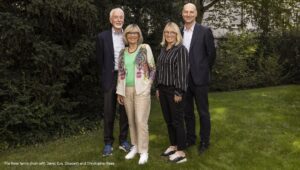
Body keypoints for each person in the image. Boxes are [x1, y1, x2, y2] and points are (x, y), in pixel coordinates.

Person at [116, 24, 156, 165]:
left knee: (141, 121)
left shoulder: (145, 48)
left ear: (139, 36)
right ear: (126, 36)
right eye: (129, 33)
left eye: (135, 33)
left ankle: (144, 151)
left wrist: (148, 85)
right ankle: (135, 146)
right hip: (126, 90)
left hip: (141, 90)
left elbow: (153, 69)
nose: (132, 35)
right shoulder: (122, 52)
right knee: (131, 121)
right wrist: (119, 92)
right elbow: (120, 74)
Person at [181, 3, 216, 154]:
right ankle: (191, 138)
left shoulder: (204, 31)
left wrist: (203, 70)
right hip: (183, 79)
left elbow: (212, 55)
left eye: (191, 12)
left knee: (203, 112)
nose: (188, 14)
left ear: (195, 14)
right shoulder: (178, 31)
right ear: (182, 13)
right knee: (187, 112)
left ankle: (204, 141)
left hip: (200, 79)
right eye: (185, 12)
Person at [96, 8, 131, 157]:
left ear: (123, 19)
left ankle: (123, 141)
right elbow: (99, 61)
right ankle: (108, 143)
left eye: (121, 17)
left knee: (125, 111)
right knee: (109, 111)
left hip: (125, 77)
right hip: (110, 78)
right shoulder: (102, 37)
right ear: (111, 20)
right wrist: (104, 79)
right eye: (115, 17)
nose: (118, 19)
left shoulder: (129, 36)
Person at [156, 22, 189, 163]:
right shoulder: (164, 49)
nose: (169, 34)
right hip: (163, 90)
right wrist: (157, 88)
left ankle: (181, 151)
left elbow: (182, 73)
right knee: (168, 120)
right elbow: (159, 70)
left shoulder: (181, 49)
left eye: (172, 32)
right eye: (167, 32)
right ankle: (173, 145)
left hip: (174, 90)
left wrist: (178, 92)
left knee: (177, 121)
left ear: (177, 34)